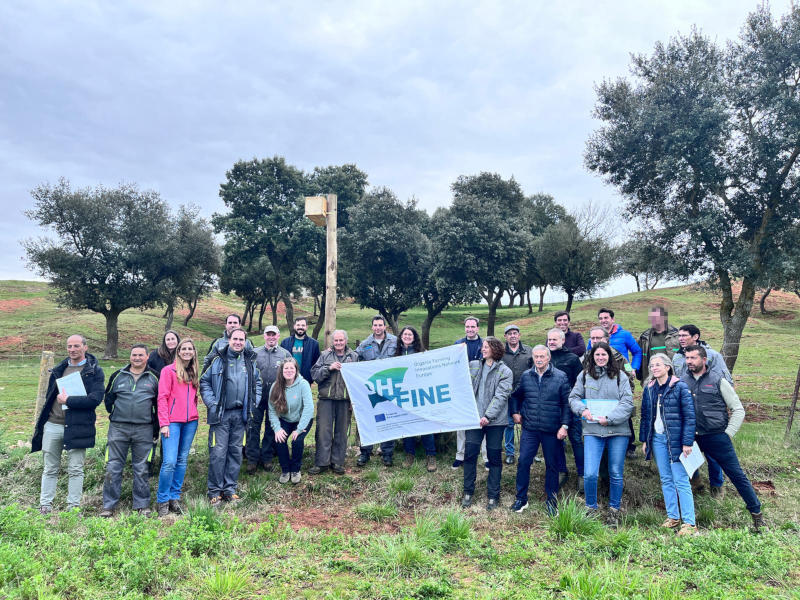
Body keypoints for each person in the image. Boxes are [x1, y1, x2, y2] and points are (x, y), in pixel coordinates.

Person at [681, 345, 766, 531]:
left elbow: (738, 409)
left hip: (716, 436)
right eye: (687, 358)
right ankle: (682, 517)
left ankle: (757, 514)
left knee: (737, 475)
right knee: (680, 475)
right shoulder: (682, 381)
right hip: (690, 438)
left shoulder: (718, 380)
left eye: (693, 358)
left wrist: (728, 433)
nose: (689, 361)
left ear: (704, 360)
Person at [32, 334, 105, 515]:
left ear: (85, 347)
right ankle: (45, 505)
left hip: (78, 426)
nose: (72, 350)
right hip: (53, 424)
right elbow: (50, 397)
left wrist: (69, 400)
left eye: (76, 346)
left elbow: (95, 399)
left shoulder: (94, 371)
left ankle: (73, 508)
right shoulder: (59, 369)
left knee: (75, 469)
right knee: (49, 468)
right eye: (69, 346)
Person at [569, 342, 633, 526]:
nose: (600, 358)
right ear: (592, 357)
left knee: (615, 472)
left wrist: (609, 418)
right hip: (592, 431)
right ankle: (591, 507)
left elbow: (627, 403)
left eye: (604, 355)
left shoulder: (621, 377)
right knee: (589, 474)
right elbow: (573, 397)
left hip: (617, 431)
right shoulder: (584, 376)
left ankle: (614, 509)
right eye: (597, 355)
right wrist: (582, 410)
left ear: (609, 357)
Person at [200, 328, 261, 505]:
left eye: (241, 339)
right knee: (218, 453)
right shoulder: (218, 361)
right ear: (229, 340)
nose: (238, 342)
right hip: (221, 415)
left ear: (245, 342)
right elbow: (204, 382)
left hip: (240, 415)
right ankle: (214, 491)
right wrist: (212, 403)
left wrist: (253, 402)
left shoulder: (249, 362)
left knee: (235, 452)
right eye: (235, 339)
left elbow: (258, 382)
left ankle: (229, 489)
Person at [640, 354, 697, 536]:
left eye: (658, 365)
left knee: (680, 480)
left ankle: (689, 522)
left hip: (675, 440)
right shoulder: (649, 389)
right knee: (665, 479)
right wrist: (644, 440)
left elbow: (689, 416)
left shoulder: (680, 387)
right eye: (652, 365)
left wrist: (687, 442)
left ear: (667, 367)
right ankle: (673, 517)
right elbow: (645, 416)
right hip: (657, 439)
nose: (654, 368)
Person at [509, 345, 571, 514]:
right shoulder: (526, 376)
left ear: (548, 357)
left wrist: (564, 426)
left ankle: (551, 501)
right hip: (530, 428)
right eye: (536, 356)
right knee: (523, 462)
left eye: (542, 356)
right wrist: (515, 412)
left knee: (552, 465)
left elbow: (567, 404)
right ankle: (521, 499)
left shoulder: (560, 377)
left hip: (552, 429)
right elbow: (516, 395)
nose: (539, 359)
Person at [100, 345, 160, 517]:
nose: (137, 358)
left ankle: (142, 505)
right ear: (130, 357)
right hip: (118, 428)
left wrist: (155, 427)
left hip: (144, 429)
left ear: (147, 357)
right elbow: (109, 398)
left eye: (141, 355)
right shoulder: (118, 375)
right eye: (134, 355)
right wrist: (116, 414)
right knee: (113, 466)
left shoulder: (154, 377)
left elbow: (159, 403)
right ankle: (108, 506)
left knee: (141, 468)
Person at [673, 324, 732, 497]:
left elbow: (726, 380)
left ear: (696, 337)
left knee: (713, 453)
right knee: (688, 446)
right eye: (679, 336)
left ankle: (717, 487)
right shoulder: (677, 357)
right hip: (687, 411)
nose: (681, 338)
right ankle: (695, 481)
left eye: (685, 335)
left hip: (709, 412)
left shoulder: (713, 355)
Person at [461, 336, 513, 511]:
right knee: (470, 454)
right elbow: (460, 379)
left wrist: (488, 416)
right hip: (474, 420)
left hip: (495, 422)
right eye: (482, 347)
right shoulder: (475, 365)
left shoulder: (505, 372)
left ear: (495, 349)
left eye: (486, 347)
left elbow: (501, 396)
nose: (482, 349)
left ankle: (493, 495)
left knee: (494, 457)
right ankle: (468, 491)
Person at [155, 339, 200, 517]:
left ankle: (175, 497)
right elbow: (162, 397)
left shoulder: (194, 372)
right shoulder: (168, 371)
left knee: (182, 460)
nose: (187, 351)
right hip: (172, 422)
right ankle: (163, 500)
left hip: (191, 422)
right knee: (169, 462)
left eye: (190, 349)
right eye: (184, 349)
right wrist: (164, 423)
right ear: (178, 351)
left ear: (194, 352)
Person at [310, 330, 358, 474]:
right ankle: (322, 462)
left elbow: (357, 381)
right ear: (332, 341)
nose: (338, 343)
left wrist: (353, 401)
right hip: (326, 399)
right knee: (323, 431)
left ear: (346, 341)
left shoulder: (354, 357)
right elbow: (314, 374)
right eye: (336, 340)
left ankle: (337, 462)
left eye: (341, 340)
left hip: (344, 401)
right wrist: (328, 368)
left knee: (342, 432)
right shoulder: (325, 355)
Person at [246, 325, 292, 474]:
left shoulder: (285, 354)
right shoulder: (254, 353)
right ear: (264, 336)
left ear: (278, 336)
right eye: (268, 334)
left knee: (271, 428)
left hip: (276, 398)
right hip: (257, 397)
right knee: (253, 427)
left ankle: (267, 458)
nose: (271, 337)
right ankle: (252, 459)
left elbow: (291, 374)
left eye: (274, 334)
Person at [355, 316, 398, 467]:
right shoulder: (365, 344)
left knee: (388, 419)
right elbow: (354, 357)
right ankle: (365, 452)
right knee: (368, 419)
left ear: (385, 327)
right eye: (375, 325)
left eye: (380, 325)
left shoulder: (395, 341)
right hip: (370, 388)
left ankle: (387, 454)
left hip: (389, 387)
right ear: (372, 327)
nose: (378, 328)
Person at [547, 328, 584, 491]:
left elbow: (580, 383)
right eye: (549, 340)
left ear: (563, 341)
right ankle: (562, 471)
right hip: (552, 408)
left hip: (571, 407)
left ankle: (582, 474)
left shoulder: (573, 359)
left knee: (576, 440)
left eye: (555, 339)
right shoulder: (544, 358)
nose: (551, 342)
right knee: (557, 442)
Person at [395, 326, 437, 472]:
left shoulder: (422, 353)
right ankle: (409, 454)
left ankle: (431, 456)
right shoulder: (396, 354)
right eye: (405, 334)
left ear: (414, 337)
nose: (407, 336)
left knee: (425, 425)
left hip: (420, 395)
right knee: (407, 425)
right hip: (404, 396)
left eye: (410, 334)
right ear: (401, 336)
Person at [269, 358, 314, 484]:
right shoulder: (275, 386)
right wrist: (277, 429)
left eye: (291, 368)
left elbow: (309, 408)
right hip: (286, 419)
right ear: (281, 371)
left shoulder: (303, 384)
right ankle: (285, 470)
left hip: (302, 419)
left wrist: (299, 429)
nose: (289, 371)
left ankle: (295, 469)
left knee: (296, 440)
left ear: (296, 370)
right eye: (286, 368)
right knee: (280, 439)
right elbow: (271, 410)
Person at [453, 316, 488, 469]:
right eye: (467, 327)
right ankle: (460, 455)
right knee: (462, 423)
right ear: (465, 328)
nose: (470, 329)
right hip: (462, 390)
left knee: (483, 422)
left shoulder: (484, 345)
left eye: (473, 327)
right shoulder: (458, 344)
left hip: (481, 389)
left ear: (478, 328)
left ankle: (486, 456)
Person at [500, 324, 532, 466]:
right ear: (505, 337)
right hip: (508, 394)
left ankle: (530, 452)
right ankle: (510, 453)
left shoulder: (529, 351)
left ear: (519, 335)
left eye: (515, 333)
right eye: (509, 333)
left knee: (528, 423)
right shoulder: (500, 352)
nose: (513, 335)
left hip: (525, 394)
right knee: (509, 424)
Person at [590, 308, 642, 373]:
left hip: (623, 370)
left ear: (612, 319)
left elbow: (637, 352)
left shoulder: (625, 334)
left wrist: (633, 368)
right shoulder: (594, 338)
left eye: (606, 318)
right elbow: (588, 355)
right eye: (600, 318)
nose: (603, 320)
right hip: (601, 373)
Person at [637, 306, 680, 383]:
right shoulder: (644, 337)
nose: (653, 319)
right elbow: (639, 356)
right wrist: (639, 374)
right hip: (652, 375)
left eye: (656, 317)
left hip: (674, 375)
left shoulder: (677, 334)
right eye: (652, 317)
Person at [280, 317, 321, 384]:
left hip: (305, 380)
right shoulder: (285, 342)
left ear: (306, 327)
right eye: (298, 325)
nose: (300, 327)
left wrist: (311, 378)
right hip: (287, 379)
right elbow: (281, 361)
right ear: (294, 326)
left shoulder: (314, 344)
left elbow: (316, 363)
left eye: (303, 325)